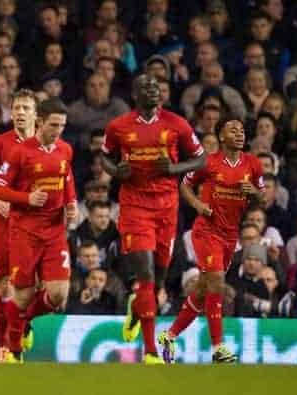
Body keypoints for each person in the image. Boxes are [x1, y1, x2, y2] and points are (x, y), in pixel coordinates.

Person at [101, 74, 205, 364]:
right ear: (135, 94)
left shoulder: (177, 124)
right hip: (135, 206)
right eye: (147, 87)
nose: (154, 90)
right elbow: (104, 157)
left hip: (166, 208)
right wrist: (115, 172)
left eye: (158, 87)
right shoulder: (119, 126)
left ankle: (138, 307)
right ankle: (149, 351)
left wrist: (174, 169)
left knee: (158, 279)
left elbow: (200, 158)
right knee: (145, 274)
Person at [158, 117, 264, 364]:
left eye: (241, 129)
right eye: (232, 129)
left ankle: (169, 335)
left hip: (230, 235)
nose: (239, 133)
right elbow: (183, 185)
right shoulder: (208, 161)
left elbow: (263, 200)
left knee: (205, 289)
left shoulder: (254, 164)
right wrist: (198, 205)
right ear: (221, 136)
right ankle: (218, 347)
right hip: (206, 231)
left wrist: (255, 194)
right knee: (216, 280)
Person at [0, 97, 77, 363]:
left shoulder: (65, 149)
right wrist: (25, 199)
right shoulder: (20, 152)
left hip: (54, 231)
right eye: (54, 125)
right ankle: (15, 353)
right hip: (25, 231)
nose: (58, 131)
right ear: (40, 121)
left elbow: (67, 177)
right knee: (23, 294)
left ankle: (24, 319)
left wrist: (72, 202)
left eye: (62, 126)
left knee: (58, 295)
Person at [0, 89, 37, 362]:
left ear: (35, 115)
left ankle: (23, 326)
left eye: (26, 108)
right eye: (17, 108)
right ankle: (3, 346)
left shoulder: (46, 143)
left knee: (32, 285)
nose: (20, 113)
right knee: (4, 284)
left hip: (38, 225)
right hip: (6, 223)